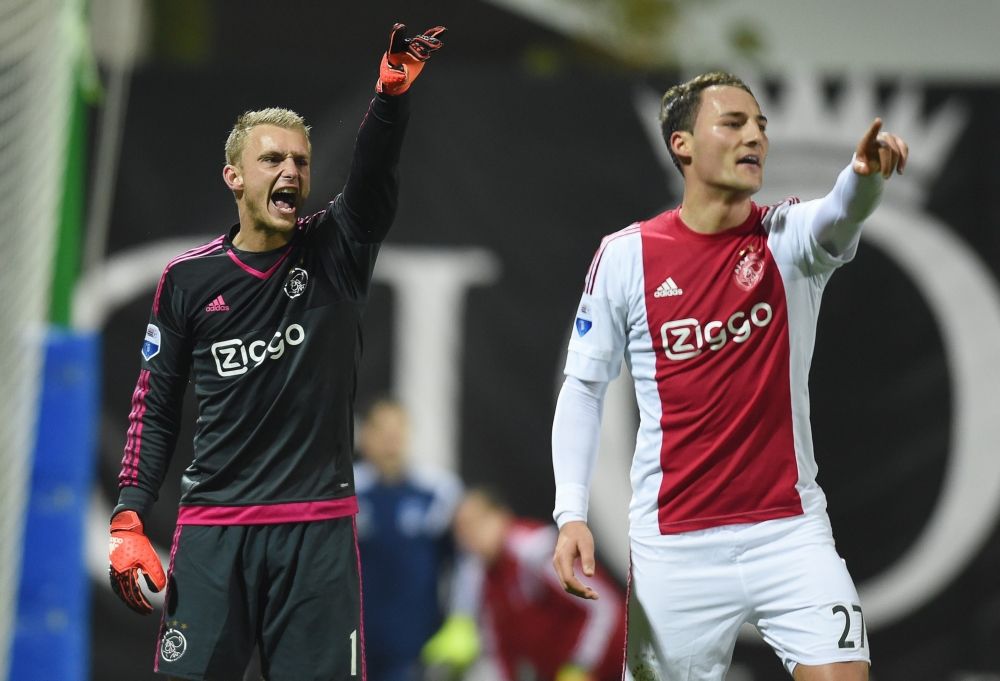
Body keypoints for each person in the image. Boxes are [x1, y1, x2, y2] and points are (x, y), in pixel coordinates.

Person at [105, 23, 446, 681]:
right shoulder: (188, 280)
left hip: (315, 530)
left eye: (301, 160)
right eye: (273, 159)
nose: (291, 170)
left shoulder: (335, 252)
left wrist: (389, 99)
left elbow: (374, 181)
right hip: (212, 532)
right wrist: (127, 518)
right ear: (234, 176)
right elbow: (155, 408)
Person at [550, 72, 908, 681]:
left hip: (789, 533)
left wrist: (864, 179)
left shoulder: (787, 239)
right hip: (675, 550)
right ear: (682, 143)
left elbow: (841, 215)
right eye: (734, 123)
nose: (755, 138)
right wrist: (570, 513)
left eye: (762, 125)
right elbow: (584, 389)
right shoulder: (627, 257)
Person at [450, 488, 626, 681]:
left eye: (477, 523)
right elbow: (500, 648)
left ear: (500, 515)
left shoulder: (532, 551)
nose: (471, 537)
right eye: (462, 531)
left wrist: (582, 664)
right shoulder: (481, 577)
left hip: (615, 664)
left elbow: (604, 605)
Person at [353, 398, 465, 681]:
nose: (391, 439)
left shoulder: (439, 493)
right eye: (382, 430)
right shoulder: (346, 494)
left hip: (417, 643)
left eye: (398, 429)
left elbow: (462, 565)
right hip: (356, 640)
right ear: (365, 435)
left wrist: (461, 620)